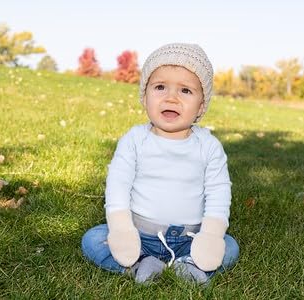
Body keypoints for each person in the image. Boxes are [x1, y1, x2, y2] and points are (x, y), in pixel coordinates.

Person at [81, 43, 239, 285]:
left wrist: (211, 234)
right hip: (138, 236)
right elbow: (118, 186)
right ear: (145, 97)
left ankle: (188, 264)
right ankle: (140, 263)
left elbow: (219, 192)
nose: (171, 97)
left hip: (191, 238)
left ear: (201, 106)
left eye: (185, 90)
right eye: (160, 87)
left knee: (229, 246)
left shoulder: (208, 146)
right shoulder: (134, 140)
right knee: (93, 239)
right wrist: (121, 228)